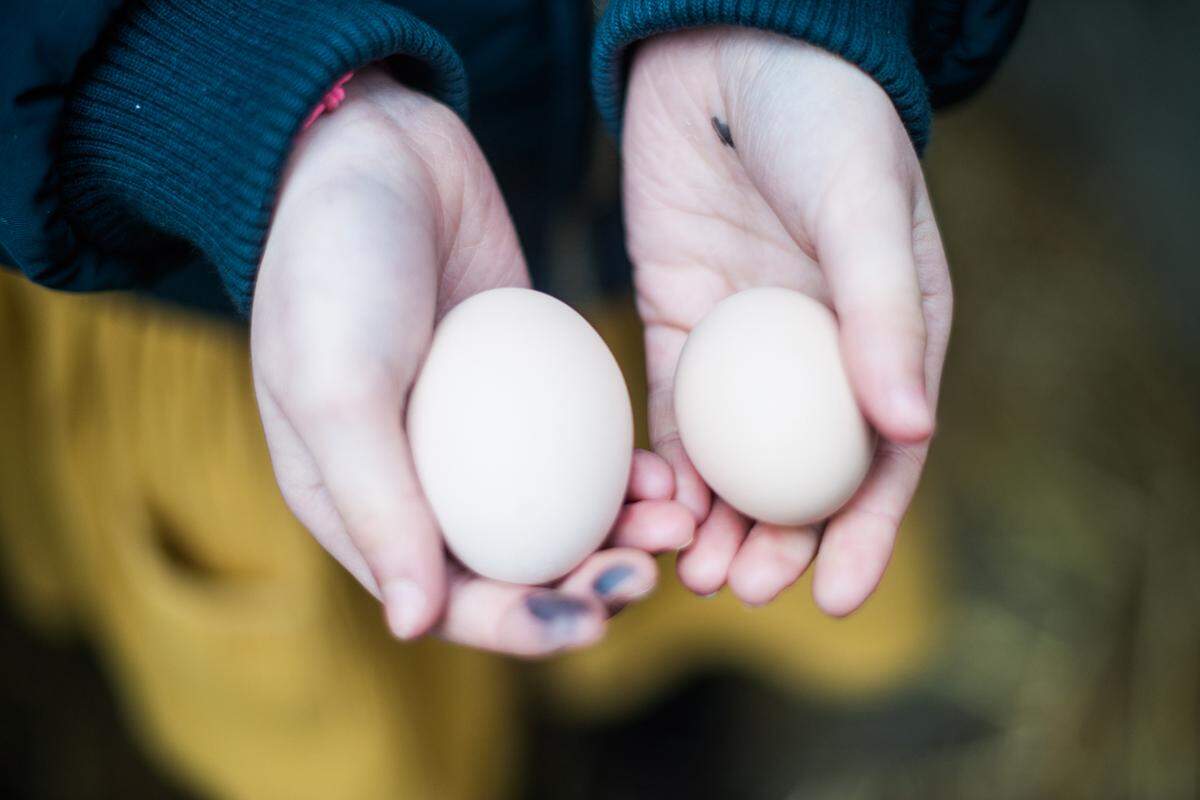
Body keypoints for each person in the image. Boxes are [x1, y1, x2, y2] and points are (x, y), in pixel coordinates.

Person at [0, 0, 1027, 660]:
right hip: (256, 277)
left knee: (674, 579)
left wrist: (786, 12)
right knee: (321, 660)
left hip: (686, 259)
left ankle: (648, 702)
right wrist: (215, 96)